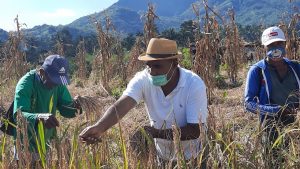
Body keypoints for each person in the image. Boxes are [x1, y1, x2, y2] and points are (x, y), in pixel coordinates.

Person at [79, 38, 208, 167]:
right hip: (162, 154)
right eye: (149, 65)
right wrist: (99, 127)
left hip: (193, 155)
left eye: (157, 66)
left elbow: (195, 131)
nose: (152, 71)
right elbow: (122, 105)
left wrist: (156, 133)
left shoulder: (193, 84)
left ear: (174, 63)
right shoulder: (143, 79)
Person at [244, 26, 300, 167]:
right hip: (271, 128)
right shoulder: (257, 71)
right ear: (264, 47)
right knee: (274, 162)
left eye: (279, 44)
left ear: (284, 44)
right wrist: (276, 110)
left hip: (296, 125)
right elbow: (249, 103)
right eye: (271, 45)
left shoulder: (295, 67)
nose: (276, 48)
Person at [13, 55, 82, 162]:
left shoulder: (58, 85)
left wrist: (76, 107)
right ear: (42, 72)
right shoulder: (26, 84)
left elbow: (65, 110)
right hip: (27, 143)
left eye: (59, 81)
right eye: (53, 80)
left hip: (46, 142)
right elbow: (19, 115)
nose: (56, 84)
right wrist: (39, 117)